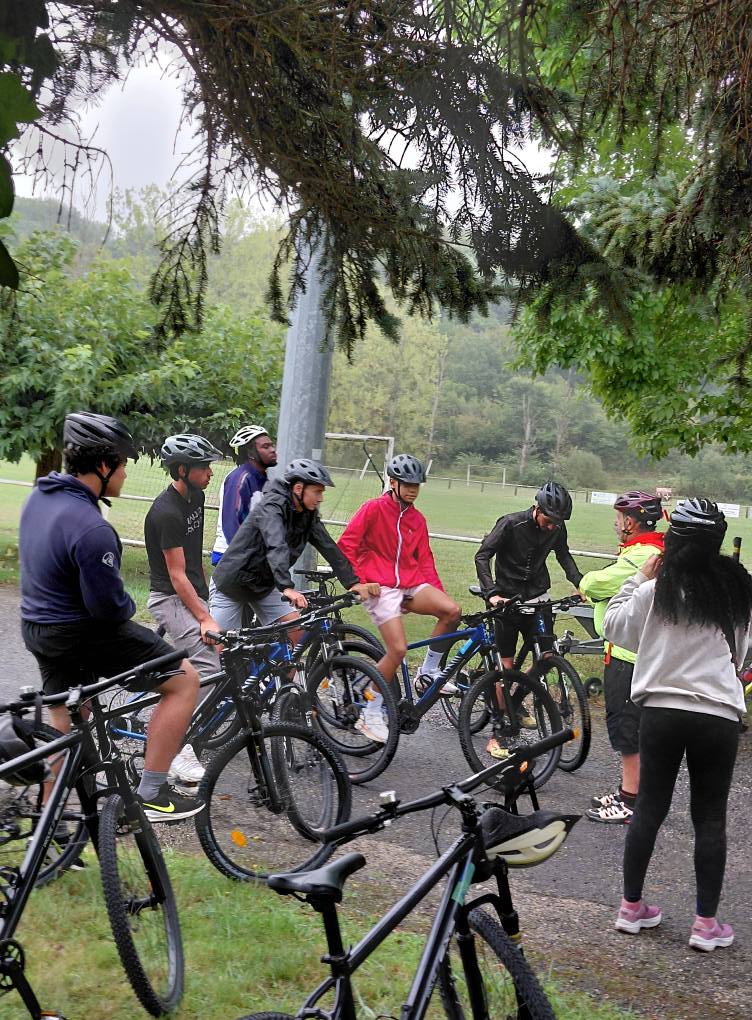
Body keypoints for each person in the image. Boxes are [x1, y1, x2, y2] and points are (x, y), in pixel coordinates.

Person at [19, 412, 204, 822]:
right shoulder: (92, 528)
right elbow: (108, 609)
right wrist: (125, 607)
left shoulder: (40, 497)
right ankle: (153, 794)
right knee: (185, 680)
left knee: (65, 727)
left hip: (37, 628)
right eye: (123, 464)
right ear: (104, 466)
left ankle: (49, 833)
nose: (124, 472)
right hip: (80, 632)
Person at [604, 498, 751, 952]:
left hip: (661, 713)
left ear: (673, 541)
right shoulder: (737, 591)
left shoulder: (655, 589)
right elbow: (742, 657)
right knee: (709, 819)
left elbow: (615, 627)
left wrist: (638, 577)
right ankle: (705, 925)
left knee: (649, 807)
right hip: (718, 716)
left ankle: (632, 908)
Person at [338, 454, 462, 742]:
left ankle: (428, 672)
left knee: (452, 611)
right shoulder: (372, 509)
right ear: (392, 482)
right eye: (406, 484)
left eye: (416, 485)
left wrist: (437, 591)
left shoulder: (417, 519)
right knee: (398, 650)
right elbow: (346, 546)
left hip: (410, 583)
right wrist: (358, 582)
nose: (412, 489)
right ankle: (371, 711)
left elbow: (426, 561)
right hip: (379, 587)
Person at [474, 481, 582, 757]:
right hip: (507, 603)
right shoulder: (510, 524)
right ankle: (500, 730)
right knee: (506, 667)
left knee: (547, 657)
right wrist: (492, 593)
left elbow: (563, 556)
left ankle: (516, 699)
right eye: (549, 519)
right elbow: (483, 555)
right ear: (536, 508)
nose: (552, 526)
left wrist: (581, 584)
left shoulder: (557, 527)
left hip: (538, 598)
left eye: (558, 522)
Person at [211, 456, 377, 631]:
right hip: (232, 584)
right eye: (317, 491)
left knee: (295, 631)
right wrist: (287, 587)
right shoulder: (272, 507)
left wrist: (352, 582)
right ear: (299, 488)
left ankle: (271, 659)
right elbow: (275, 545)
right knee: (219, 649)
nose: (321, 498)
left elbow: (328, 547)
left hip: (263, 586)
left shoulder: (307, 515)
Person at [580, 492, 665, 824]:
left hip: (627, 654)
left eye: (618, 518)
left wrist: (587, 584)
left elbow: (598, 583)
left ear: (630, 522)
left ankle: (630, 802)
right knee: (636, 729)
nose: (616, 524)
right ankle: (631, 791)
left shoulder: (642, 554)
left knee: (627, 729)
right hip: (640, 653)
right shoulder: (648, 550)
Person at [144, 433, 224, 785]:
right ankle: (179, 747)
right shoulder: (166, 512)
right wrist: (204, 617)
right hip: (169, 597)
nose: (209, 472)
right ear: (181, 469)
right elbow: (176, 575)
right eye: (202, 467)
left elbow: (193, 559)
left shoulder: (197, 497)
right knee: (208, 663)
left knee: (211, 657)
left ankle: (170, 711)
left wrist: (206, 601)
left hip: (191, 594)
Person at [211, 424, 277, 565]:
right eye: (265, 447)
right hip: (232, 559)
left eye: (272, 445)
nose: (273, 450)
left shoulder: (262, 480)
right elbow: (232, 525)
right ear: (251, 453)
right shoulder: (240, 479)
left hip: (250, 558)